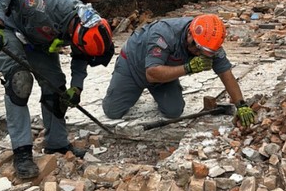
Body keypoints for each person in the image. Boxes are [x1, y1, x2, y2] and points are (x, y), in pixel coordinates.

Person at [0, 0, 115, 179]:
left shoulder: (88, 23)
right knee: (20, 83)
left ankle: (57, 144)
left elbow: (80, 57)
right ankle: (22, 152)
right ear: (77, 34)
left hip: (37, 41)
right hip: (8, 30)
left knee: (57, 89)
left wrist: (76, 89)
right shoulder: (42, 3)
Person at [102, 14, 255, 128]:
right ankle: (129, 89)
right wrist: (187, 68)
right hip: (133, 66)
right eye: (198, 50)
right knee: (112, 112)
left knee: (173, 111)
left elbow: (225, 73)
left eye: (205, 52)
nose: (199, 54)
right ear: (190, 35)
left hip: (163, 73)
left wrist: (241, 105)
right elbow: (151, 73)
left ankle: (156, 90)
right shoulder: (164, 34)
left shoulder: (208, 43)